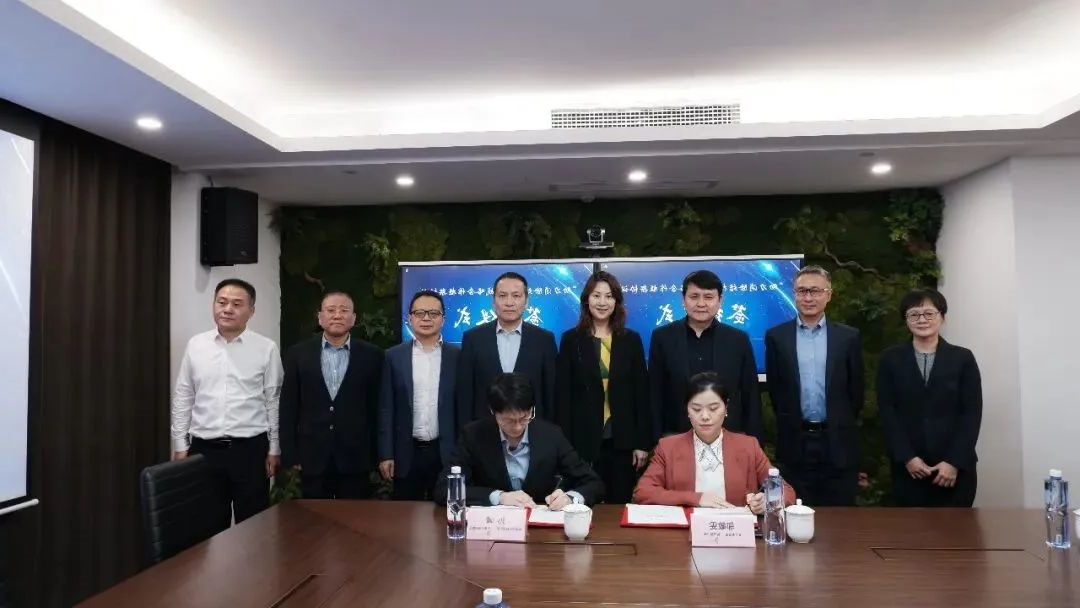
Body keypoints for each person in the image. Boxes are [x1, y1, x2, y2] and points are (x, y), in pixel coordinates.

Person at [171, 278, 283, 522]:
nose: (227, 309)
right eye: (221, 302)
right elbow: (184, 396)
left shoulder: (266, 348)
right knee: (206, 526)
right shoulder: (196, 345)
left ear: (251, 311)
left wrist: (274, 448)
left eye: (237, 304)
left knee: (253, 527)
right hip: (203, 451)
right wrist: (180, 445)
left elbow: (273, 401)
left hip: (250, 451)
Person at [764, 265, 864, 506]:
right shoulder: (777, 337)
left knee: (839, 512)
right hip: (795, 440)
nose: (808, 298)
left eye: (815, 291)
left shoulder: (848, 337)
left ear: (829, 294)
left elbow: (856, 391)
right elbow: (776, 390)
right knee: (795, 510)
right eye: (802, 291)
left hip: (836, 440)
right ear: (794, 294)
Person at [877, 288, 982, 507]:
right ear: (906, 320)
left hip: (954, 470)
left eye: (929, 313)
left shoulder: (963, 358)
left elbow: (971, 413)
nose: (922, 320)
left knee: (957, 528)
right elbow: (887, 411)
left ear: (942, 317)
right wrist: (907, 457)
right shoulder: (890, 359)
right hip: (909, 469)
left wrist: (953, 462)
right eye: (914, 314)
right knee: (911, 527)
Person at [435, 373, 604, 508]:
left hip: (539, 528)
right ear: (493, 411)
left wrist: (570, 498)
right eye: (508, 420)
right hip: (492, 528)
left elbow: (593, 483)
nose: (517, 427)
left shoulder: (551, 435)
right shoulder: (474, 435)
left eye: (524, 418)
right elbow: (444, 489)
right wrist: (499, 497)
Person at [633, 372, 794, 511]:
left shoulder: (748, 446)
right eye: (696, 409)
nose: (705, 416)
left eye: (713, 408)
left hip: (735, 532)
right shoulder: (668, 447)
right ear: (687, 410)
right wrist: (696, 498)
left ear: (726, 408)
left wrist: (767, 502)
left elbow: (786, 492)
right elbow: (643, 492)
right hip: (685, 533)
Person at [555, 271, 651, 503]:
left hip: (622, 441)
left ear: (616, 301)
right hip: (581, 440)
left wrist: (642, 444)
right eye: (596, 295)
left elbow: (641, 394)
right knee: (582, 502)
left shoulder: (631, 340)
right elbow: (563, 396)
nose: (602, 302)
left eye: (609, 296)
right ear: (586, 299)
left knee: (619, 503)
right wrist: (564, 447)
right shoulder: (571, 340)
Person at [280, 291, 384, 498]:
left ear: (353, 318)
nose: (337, 315)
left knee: (354, 515)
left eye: (344, 310)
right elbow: (288, 406)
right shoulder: (298, 354)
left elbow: (377, 407)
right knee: (314, 515)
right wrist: (290, 453)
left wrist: (377, 454)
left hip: (356, 456)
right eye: (331, 310)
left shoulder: (373, 355)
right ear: (320, 317)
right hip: (312, 455)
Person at [648, 270, 762, 442]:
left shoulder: (738, 339)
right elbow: (655, 392)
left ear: (720, 300)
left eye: (708, 297)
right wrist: (655, 439)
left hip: (729, 436)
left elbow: (750, 393)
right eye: (694, 296)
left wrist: (754, 440)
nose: (701, 303)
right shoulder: (662, 337)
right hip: (676, 436)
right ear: (683, 299)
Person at [377, 290, 459, 500]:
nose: (426, 318)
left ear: (443, 319)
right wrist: (386, 453)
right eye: (420, 313)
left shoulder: (458, 356)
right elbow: (386, 408)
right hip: (406, 451)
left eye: (433, 313)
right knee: (405, 514)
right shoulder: (393, 356)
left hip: (445, 451)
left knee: (445, 512)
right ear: (410, 318)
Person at [456, 272, 557, 426]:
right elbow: (465, 393)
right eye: (502, 296)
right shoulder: (473, 338)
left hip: (532, 428)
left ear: (527, 301)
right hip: (484, 429)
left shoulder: (544, 339)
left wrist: (549, 432)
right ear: (493, 301)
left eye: (516, 296)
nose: (509, 302)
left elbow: (550, 393)